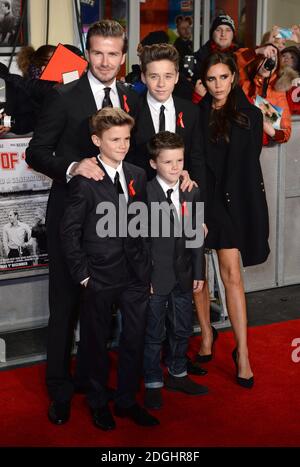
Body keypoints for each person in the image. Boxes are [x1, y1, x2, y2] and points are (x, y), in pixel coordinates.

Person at [25, 19, 140, 426]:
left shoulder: (130, 96)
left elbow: (136, 156)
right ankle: (59, 389)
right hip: (70, 221)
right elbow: (36, 153)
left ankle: (94, 384)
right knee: (66, 307)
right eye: (98, 52)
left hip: (114, 227)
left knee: (100, 312)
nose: (105, 61)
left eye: (113, 53)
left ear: (123, 57)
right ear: (86, 52)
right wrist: (73, 166)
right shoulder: (64, 95)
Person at [60, 107, 159, 430]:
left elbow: (144, 223)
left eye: (127, 138)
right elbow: (69, 231)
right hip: (99, 274)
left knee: (135, 338)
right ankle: (98, 401)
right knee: (96, 340)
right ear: (96, 140)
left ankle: (127, 400)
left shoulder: (138, 174)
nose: (122, 145)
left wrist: (148, 268)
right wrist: (83, 274)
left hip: (135, 273)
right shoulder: (86, 181)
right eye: (114, 139)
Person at [190, 52, 270, 388]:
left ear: (233, 78)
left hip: (231, 204)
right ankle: (207, 334)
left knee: (231, 275)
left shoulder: (249, 114)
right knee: (197, 274)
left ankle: (244, 354)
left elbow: (248, 166)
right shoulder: (195, 115)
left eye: (224, 77)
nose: (218, 85)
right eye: (212, 79)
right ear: (203, 82)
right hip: (201, 200)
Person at [143, 131, 208, 410]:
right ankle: (153, 382)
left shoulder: (191, 191)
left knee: (182, 328)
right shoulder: (144, 193)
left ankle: (178, 373)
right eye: (167, 161)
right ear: (153, 163)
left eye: (179, 160)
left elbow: (196, 236)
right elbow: (140, 244)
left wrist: (199, 272)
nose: (175, 167)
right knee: (154, 333)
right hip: (156, 279)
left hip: (183, 275)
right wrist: (145, 277)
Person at [130, 43, 206, 195]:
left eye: (168, 76)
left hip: (181, 197)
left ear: (177, 77)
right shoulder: (131, 111)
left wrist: (198, 199)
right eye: (154, 76)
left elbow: (197, 159)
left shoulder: (191, 112)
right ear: (144, 77)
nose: (161, 84)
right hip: (140, 199)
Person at [236, 44, 292, 145]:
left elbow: (286, 132)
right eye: (265, 59)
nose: (268, 64)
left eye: (272, 61)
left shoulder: (277, 90)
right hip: (236, 139)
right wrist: (256, 51)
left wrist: (271, 130)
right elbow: (230, 64)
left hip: (258, 144)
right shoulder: (243, 78)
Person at [193, 14, 239, 103]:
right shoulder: (199, 57)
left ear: (233, 34)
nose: (223, 34)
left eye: (228, 30)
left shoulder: (241, 56)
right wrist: (198, 96)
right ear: (212, 33)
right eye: (218, 30)